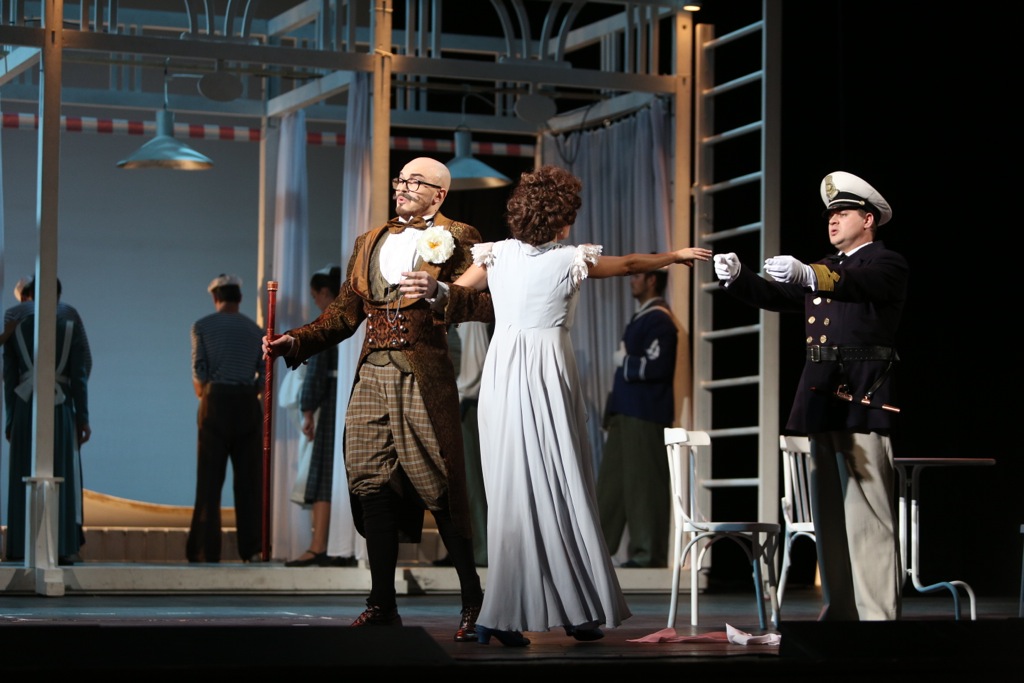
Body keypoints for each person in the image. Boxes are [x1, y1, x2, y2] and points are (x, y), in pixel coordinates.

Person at [403, 165, 712, 645]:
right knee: (560, 484)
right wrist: (673, 255)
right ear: (563, 222)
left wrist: (433, 289)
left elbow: (457, 292)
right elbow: (631, 264)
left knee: (513, 490)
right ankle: (549, 609)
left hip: (506, 372)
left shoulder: (499, 254)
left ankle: (517, 613)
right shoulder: (570, 258)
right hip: (547, 370)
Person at [263, 157, 489, 640]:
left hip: (422, 375)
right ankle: (382, 603)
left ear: (439, 195)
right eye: (401, 179)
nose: (403, 187)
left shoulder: (459, 236)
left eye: (416, 182)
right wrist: (296, 341)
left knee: (440, 485)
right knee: (370, 483)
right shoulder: (369, 241)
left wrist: (443, 292)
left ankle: (473, 598)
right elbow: (344, 314)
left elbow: (488, 302)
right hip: (371, 373)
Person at [713, 170, 907, 621]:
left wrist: (810, 274)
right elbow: (778, 294)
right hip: (822, 395)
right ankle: (841, 612)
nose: (833, 220)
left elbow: (857, 285)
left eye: (843, 212)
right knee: (829, 517)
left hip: (862, 394)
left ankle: (878, 619)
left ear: (868, 219)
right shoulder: (829, 268)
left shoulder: (886, 263)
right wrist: (739, 278)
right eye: (830, 215)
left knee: (868, 514)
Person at [596, 266, 680, 569]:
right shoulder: (644, 317)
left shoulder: (659, 319)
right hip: (627, 412)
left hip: (645, 413)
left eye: (637, 276)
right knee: (612, 486)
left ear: (652, 280)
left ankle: (648, 554)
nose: (632, 281)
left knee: (644, 484)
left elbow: (658, 366)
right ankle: (597, 552)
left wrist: (626, 362)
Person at [187, 273, 265, 564]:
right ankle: (252, 548)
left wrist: (205, 393)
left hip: (215, 403)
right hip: (247, 405)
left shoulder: (202, 326)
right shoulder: (255, 331)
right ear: (239, 298)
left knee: (209, 481)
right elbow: (264, 375)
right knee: (249, 482)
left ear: (215, 297)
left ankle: (205, 551)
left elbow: (199, 371)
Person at [3, 306, 91, 564]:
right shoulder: (69, 327)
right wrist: (83, 417)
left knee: (23, 473)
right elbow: (79, 376)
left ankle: (21, 546)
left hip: (25, 407)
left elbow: (9, 377)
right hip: (59, 407)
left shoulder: (16, 327)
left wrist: (10, 418)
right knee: (61, 471)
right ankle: (62, 546)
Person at [284, 264, 358, 568]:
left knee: (324, 475)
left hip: (329, 404)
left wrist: (307, 408)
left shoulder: (330, 321)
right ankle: (340, 544)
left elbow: (314, 369)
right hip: (351, 399)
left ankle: (318, 546)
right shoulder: (356, 318)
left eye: (316, 295)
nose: (315, 301)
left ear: (326, 292)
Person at [433, 320, 492, 568]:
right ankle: (461, 548)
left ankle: (481, 549)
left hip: (465, 408)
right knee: (456, 482)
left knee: (471, 482)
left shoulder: (470, 318)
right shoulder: (451, 316)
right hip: (454, 405)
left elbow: (475, 367)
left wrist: (453, 399)